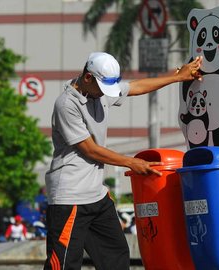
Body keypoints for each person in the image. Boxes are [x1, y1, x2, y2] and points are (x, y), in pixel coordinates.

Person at [44, 52, 202, 270]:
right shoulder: (66, 104)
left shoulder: (99, 91)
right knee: (63, 265)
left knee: (116, 256)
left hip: (97, 196)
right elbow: (90, 149)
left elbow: (136, 86)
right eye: (101, 88)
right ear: (88, 78)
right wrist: (131, 162)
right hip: (69, 197)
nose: (104, 94)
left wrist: (177, 77)